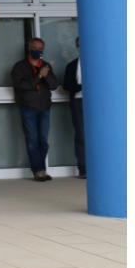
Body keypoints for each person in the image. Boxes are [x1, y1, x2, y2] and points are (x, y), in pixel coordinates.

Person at [12, 37, 60, 182]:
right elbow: (21, 86)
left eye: (40, 49)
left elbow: (54, 85)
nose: (38, 51)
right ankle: (38, 171)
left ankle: (41, 169)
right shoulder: (20, 67)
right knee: (32, 140)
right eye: (35, 48)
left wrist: (45, 76)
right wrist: (39, 76)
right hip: (28, 107)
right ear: (29, 48)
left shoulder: (45, 65)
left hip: (44, 107)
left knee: (43, 141)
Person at [63, 37, 86, 178]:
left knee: (101, 136)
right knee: (81, 136)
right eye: (79, 45)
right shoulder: (72, 65)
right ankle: (83, 168)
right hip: (78, 101)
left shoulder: (100, 63)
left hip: (99, 105)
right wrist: (81, 87)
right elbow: (67, 85)